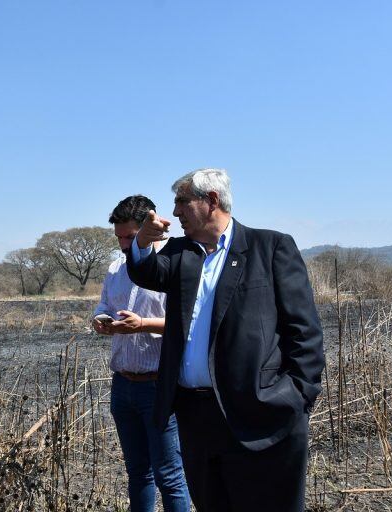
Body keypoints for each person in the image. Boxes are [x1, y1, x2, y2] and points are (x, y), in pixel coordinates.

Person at [126, 168, 324, 511]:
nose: (175, 212)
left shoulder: (270, 247)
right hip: (196, 419)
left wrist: (296, 396)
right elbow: (145, 272)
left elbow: (304, 332)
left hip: (262, 417)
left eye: (182, 202)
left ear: (211, 200)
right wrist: (141, 241)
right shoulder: (180, 252)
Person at [93, 194, 190, 512]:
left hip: (160, 385)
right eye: (119, 237)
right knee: (138, 473)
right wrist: (100, 319)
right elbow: (104, 305)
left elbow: (188, 324)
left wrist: (142, 325)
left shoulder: (174, 262)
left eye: (130, 237)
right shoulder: (116, 267)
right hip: (123, 385)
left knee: (170, 475)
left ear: (150, 225)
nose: (123, 244)